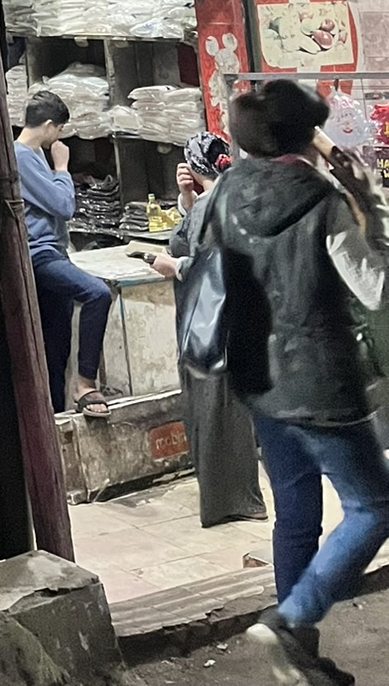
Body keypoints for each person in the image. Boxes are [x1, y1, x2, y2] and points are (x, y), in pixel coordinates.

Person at [205, 79, 389, 685]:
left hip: (258, 379)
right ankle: (292, 622)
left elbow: (202, 262)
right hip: (322, 383)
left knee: (296, 514)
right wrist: (373, 206)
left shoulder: (228, 188)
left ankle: (298, 654)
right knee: (373, 506)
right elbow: (375, 289)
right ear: (307, 136)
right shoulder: (324, 199)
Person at [147, 132, 266, 528]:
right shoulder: (222, 201)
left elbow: (209, 265)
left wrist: (174, 267)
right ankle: (235, 496)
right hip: (227, 322)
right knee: (222, 409)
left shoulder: (212, 207)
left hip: (212, 323)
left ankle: (234, 500)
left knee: (216, 409)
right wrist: (187, 200)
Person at [14, 90, 114, 417]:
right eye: (59, 130)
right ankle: (85, 384)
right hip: (40, 256)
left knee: (56, 350)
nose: (59, 137)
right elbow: (64, 206)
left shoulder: (32, 154)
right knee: (97, 294)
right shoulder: (22, 156)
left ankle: (56, 418)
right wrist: (62, 167)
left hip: (54, 252)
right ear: (48, 126)